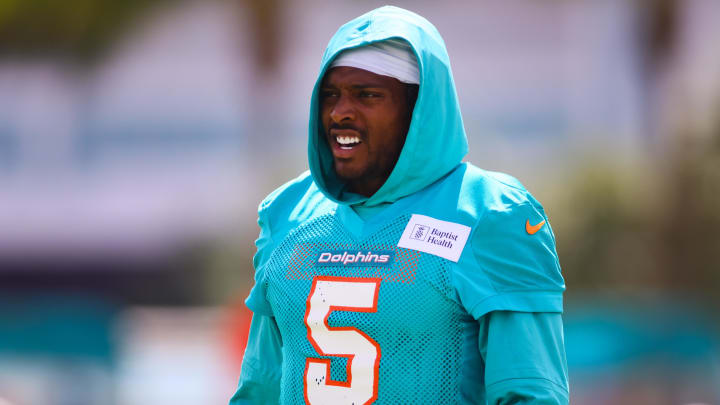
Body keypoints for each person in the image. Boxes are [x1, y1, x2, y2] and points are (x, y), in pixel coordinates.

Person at [230, 6, 568, 404]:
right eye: (330, 95)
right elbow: (259, 391)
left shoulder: (491, 214)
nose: (340, 112)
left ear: (418, 110)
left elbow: (531, 394)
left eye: (367, 95)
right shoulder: (288, 214)